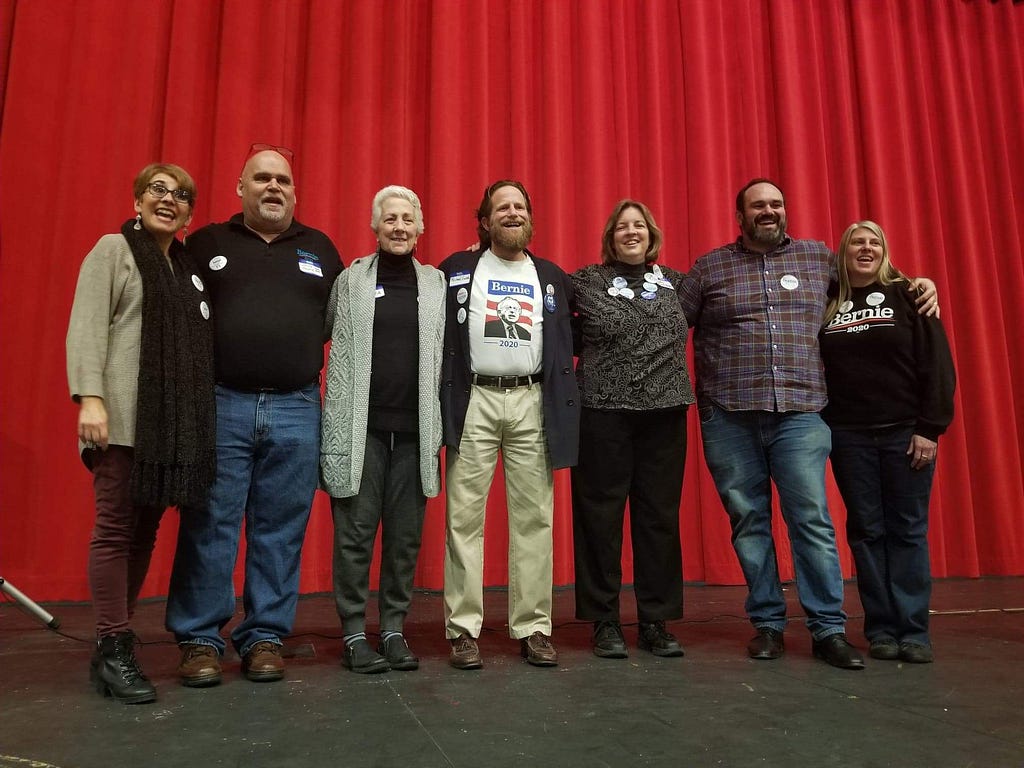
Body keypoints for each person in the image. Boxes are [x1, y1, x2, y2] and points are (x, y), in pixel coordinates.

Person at [677, 178, 938, 670]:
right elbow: (666, 321)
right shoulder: (711, 267)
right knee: (749, 523)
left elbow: (872, 279)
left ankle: (827, 629)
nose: (769, 211)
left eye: (776, 204)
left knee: (812, 521)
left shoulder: (819, 259)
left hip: (801, 415)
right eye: (758, 206)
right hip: (730, 417)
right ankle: (769, 625)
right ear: (741, 216)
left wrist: (918, 283)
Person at [166, 144, 343, 685]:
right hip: (223, 403)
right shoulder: (206, 245)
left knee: (280, 529)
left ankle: (265, 635)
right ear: (239, 188)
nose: (273, 188)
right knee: (210, 524)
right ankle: (200, 639)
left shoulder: (320, 248)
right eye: (262, 178)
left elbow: (335, 324)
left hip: (297, 406)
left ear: (295, 192)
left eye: (283, 181)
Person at [66, 163, 215, 703]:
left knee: (143, 533)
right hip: (121, 421)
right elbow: (87, 325)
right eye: (157, 190)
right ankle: (112, 642)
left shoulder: (185, 267)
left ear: (189, 214)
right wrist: (91, 399)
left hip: (165, 433)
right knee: (113, 531)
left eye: (180, 195)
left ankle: (113, 642)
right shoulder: (114, 250)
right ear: (136, 201)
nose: (168, 200)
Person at [439, 180, 579, 669]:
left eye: (520, 206)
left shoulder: (552, 277)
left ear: (530, 218)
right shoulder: (456, 269)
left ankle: (534, 626)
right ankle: (462, 629)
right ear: (485, 220)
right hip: (473, 398)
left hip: (531, 400)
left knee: (535, 519)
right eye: (503, 208)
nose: (512, 214)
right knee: (463, 519)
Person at [320, 186, 445, 673]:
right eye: (388, 219)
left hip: (415, 433)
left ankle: (393, 628)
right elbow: (323, 328)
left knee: (405, 538)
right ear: (375, 227)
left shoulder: (435, 283)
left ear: (420, 229)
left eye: (406, 219)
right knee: (354, 534)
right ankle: (353, 632)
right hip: (361, 431)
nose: (397, 227)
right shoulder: (349, 281)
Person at [821, 221, 955, 664]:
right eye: (857, 242)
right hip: (848, 435)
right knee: (866, 532)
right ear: (843, 252)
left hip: (905, 432)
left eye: (874, 241)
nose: (866, 247)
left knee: (908, 531)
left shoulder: (910, 295)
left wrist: (929, 428)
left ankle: (914, 631)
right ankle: (880, 629)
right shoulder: (828, 301)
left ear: (884, 250)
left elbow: (937, 366)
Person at [570, 200, 693, 659]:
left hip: (665, 414)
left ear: (651, 234)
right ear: (610, 237)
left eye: (638, 225)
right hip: (603, 414)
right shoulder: (584, 281)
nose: (631, 232)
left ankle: (656, 621)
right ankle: (604, 621)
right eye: (622, 227)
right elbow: (540, 297)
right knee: (600, 520)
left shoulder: (679, 284)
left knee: (658, 519)